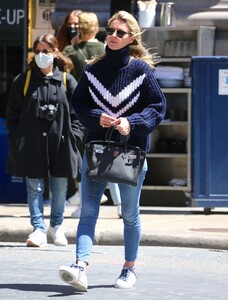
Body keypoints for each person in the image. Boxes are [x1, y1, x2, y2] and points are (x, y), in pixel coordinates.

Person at [59, 10, 166, 291]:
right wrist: (97, 117)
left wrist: (132, 122)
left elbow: (158, 108)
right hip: (96, 151)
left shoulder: (141, 72)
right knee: (89, 210)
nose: (114, 36)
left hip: (131, 154)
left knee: (130, 214)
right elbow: (79, 104)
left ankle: (129, 268)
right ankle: (80, 266)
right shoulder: (93, 70)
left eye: (121, 32)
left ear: (131, 38)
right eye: (111, 30)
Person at [6, 33, 84, 247]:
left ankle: (56, 226)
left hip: (61, 143)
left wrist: (74, 137)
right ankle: (38, 228)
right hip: (32, 143)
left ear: (55, 52)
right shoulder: (24, 80)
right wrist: (16, 139)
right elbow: (12, 113)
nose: (42, 55)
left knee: (60, 189)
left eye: (46, 51)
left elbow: (79, 114)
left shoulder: (67, 80)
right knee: (35, 188)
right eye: (38, 51)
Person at [62, 11, 108, 218]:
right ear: (96, 28)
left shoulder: (70, 50)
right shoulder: (105, 49)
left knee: (82, 154)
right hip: (103, 109)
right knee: (102, 152)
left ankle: (84, 199)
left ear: (79, 28)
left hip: (78, 109)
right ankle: (102, 193)